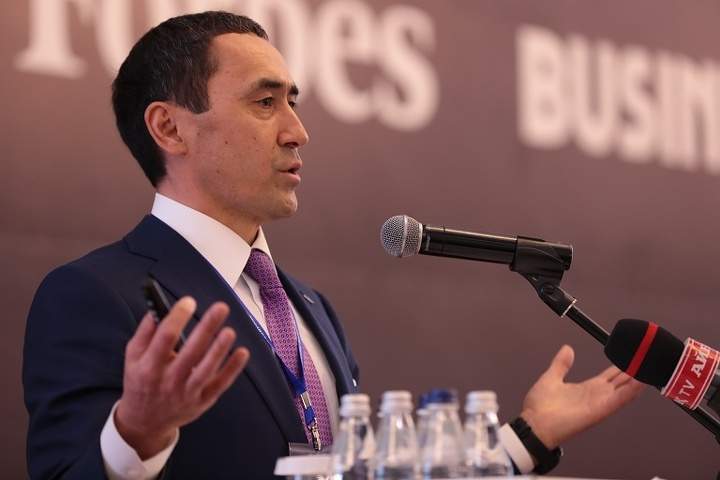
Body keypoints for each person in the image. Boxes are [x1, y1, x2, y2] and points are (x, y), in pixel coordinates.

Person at [23, 11, 643, 480]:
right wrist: (135, 435)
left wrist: (525, 440)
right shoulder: (94, 295)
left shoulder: (311, 309)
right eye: (265, 103)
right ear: (169, 127)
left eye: (292, 102)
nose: (298, 131)